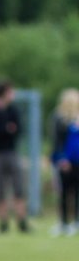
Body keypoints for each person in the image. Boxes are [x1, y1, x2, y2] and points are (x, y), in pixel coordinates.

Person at [0, 80, 31, 234]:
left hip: (11, 152)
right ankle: (3, 222)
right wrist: (6, 129)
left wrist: (7, 130)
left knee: (18, 186)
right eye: (11, 91)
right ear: (3, 93)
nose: (13, 95)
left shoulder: (13, 110)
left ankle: (22, 221)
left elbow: (17, 130)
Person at [50, 88, 79, 237]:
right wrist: (62, 158)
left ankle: (75, 222)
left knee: (76, 193)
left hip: (77, 160)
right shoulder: (59, 117)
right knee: (64, 192)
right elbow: (57, 141)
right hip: (65, 161)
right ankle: (64, 223)